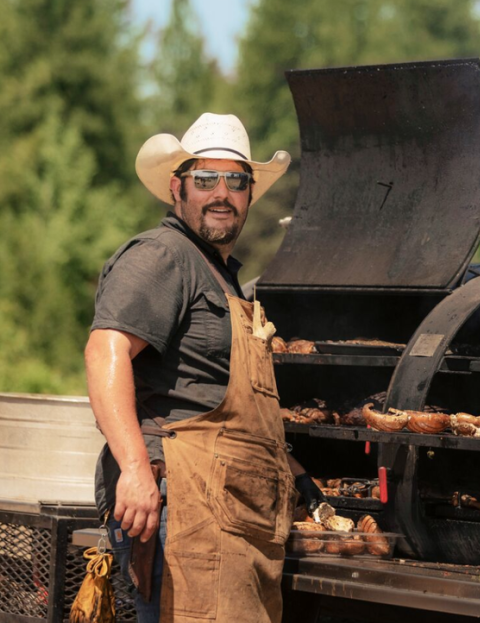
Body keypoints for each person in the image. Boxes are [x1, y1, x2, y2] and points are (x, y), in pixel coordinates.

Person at [86, 113, 328, 623]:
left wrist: (293, 474)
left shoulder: (222, 278)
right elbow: (105, 351)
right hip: (182, 512)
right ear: (178, 188)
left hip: (233, 520)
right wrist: (132, 467)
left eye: (235, 180)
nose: (221, 192)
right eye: (205, 179)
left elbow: (223, 398)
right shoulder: (163, 255)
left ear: (249, 193)